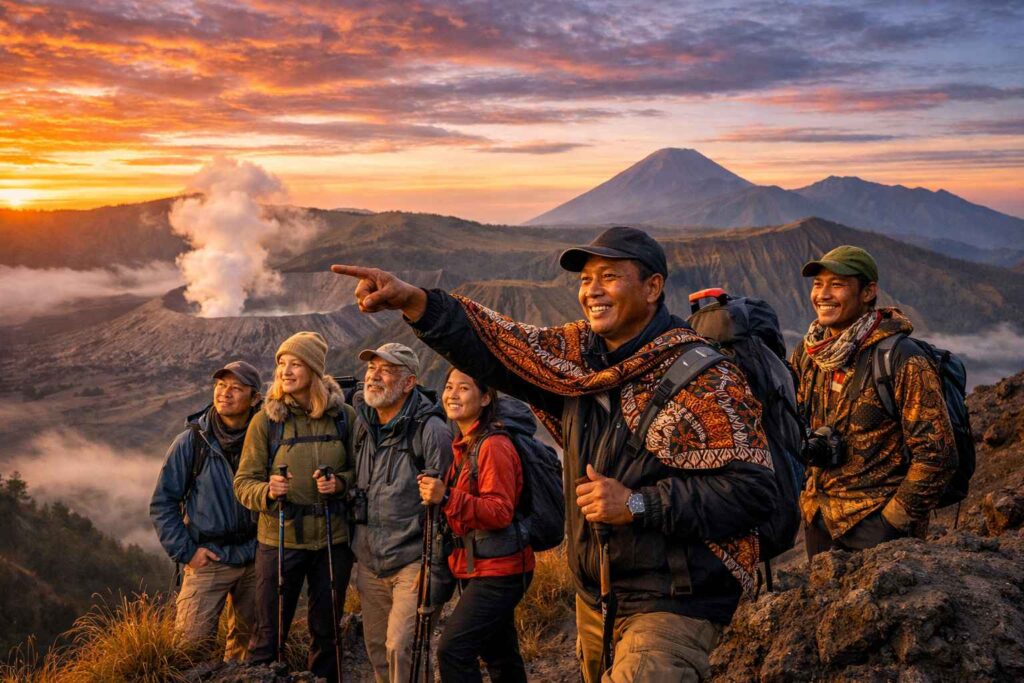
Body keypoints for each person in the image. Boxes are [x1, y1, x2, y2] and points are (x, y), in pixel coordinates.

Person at [332, 226, 778, 682]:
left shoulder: (705, 378)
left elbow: (755, 491)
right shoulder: (578, 361)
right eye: (586, 280)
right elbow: (501, 344)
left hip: (676, 600)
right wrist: (415, 302)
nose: (592, 291)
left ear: (652, 287)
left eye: (609, 276)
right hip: (598, 595)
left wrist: (639, 504)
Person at [792, 245, 957, 559]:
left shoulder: (902, 358)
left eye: (837, 284)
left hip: (877, 526)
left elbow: (937, 455)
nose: (823, 294)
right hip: (819, 518)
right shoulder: (808, 353)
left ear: (868, 292)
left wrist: (892, 521)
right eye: (818, 284)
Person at [233, 331, 356, 680]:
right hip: (279, 540)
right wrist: (268, 490)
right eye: (282, 364)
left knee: (328, 630)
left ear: (315, 371)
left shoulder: (344, 416)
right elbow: (243, 484)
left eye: (296, 364)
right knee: (269, 633)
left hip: (333, 541)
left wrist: (340, 483)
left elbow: (361, 472)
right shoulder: (266, 422)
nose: (285, 371)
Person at [418, 368, 534, 682]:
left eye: (464, 388)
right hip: (478, 565)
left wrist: (446, 497)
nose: (452, 394)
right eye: (449, 387)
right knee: (499, 654)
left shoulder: (492, 446)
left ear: (484, 398)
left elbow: (499, 512)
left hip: (500, 571)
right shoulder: (465, 442)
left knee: (453, 651)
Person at [350, 342, 453, 683]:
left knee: (402, 647)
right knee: (378, 647)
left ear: (409, 383)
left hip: (414, 561)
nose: (374, 377)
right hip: (370, 559)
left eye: (386, 370)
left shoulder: (430, 429)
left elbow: (445, 504)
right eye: (371, 369)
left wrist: (433, 567)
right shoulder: (362, 424)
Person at [150, 360, 262, 661]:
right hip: (208, 558)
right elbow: (163, 503)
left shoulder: (266, 437)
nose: (225, 393)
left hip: (255, 556)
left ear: (255, 399)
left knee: (250, 649)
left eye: (236, 389)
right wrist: (187, 552)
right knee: (189, 650)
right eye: (220, 386)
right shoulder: (191, 442)